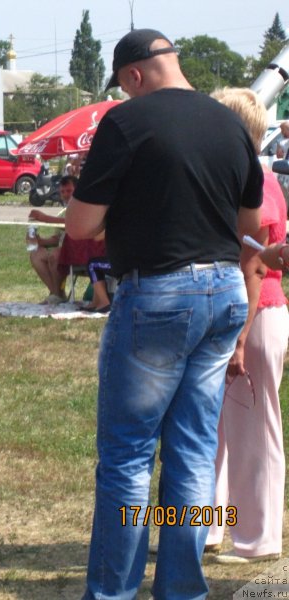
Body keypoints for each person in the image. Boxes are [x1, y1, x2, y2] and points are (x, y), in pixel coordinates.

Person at [65, 29, 262, 600]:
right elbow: (249, 226)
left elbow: (80, 225)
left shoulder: (126, 123)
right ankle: (181, 588)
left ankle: (113, 592)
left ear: (133, 75)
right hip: (225, 292)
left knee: (128, 458)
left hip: (157, 295)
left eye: (123, 86)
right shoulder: (230, 123)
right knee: (194, 452)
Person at [203, 88, 288, 565]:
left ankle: (259, 539)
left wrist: (239, 338)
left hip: (255, 315)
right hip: (237, 314)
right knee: (216, 430)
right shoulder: (244, 176)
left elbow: (253, 263)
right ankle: (208, 528)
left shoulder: (257, 180)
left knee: (254, 430)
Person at [28, 175, 104, 304]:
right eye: (62, 192)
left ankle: (57, 294)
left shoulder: (86, 207)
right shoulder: (65, 211)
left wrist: (45, 218)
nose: (65, 195)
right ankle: (56, 293)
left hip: (83, 253)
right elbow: (57, 238)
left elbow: (72, 224)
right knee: (36, 254)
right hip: (64, 250)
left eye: (69, 191)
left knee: (56, 254)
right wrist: (40, 241)